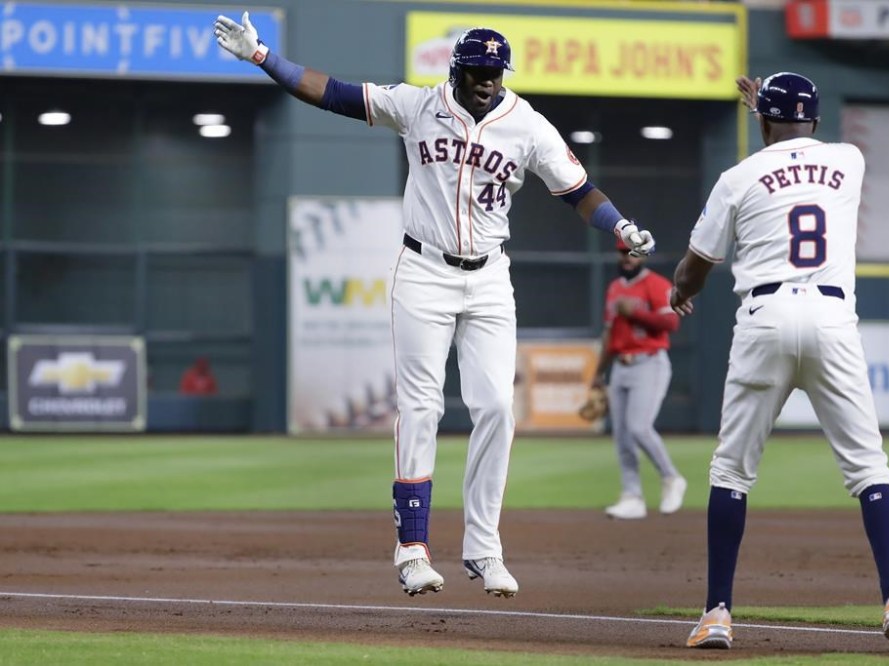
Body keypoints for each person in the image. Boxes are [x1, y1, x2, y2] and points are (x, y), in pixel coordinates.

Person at [215, 14, 656, 598]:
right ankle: (413, 549)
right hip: (423, 270)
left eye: (496, 73)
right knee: (421, 408)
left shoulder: (525, 123)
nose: (487, 81)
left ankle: (484, 549)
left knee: (498, 406)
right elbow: (335, 95)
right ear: (457, 68)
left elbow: (577, 190)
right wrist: (263, 56)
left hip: (491, 276)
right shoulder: (418, 106)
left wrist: (619, 224)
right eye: (478, 70)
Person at [669, 72, 889, 652]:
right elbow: (799, 143)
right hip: (832, 320)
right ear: (813, 120)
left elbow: (695, 267)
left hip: (763, 318)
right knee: (869, 469)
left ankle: (716, 615)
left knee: (731, 472)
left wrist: (677, 290)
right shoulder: (849, 160)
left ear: (761, 121)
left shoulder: (737, 177)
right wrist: (773, 105)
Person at [589, 237, 685, 519]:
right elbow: (610, 334)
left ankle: (671, 478)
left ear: (643, 256)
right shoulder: (615, 288)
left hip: (649, 363)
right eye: (622, 252)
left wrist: (638, 313)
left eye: (632, 253)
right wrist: (598, 373)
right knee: (622, 436)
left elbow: (672, 322)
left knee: (639, 428)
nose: (627, 258)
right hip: (620, 365)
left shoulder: (656, 284)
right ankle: (632, 496)